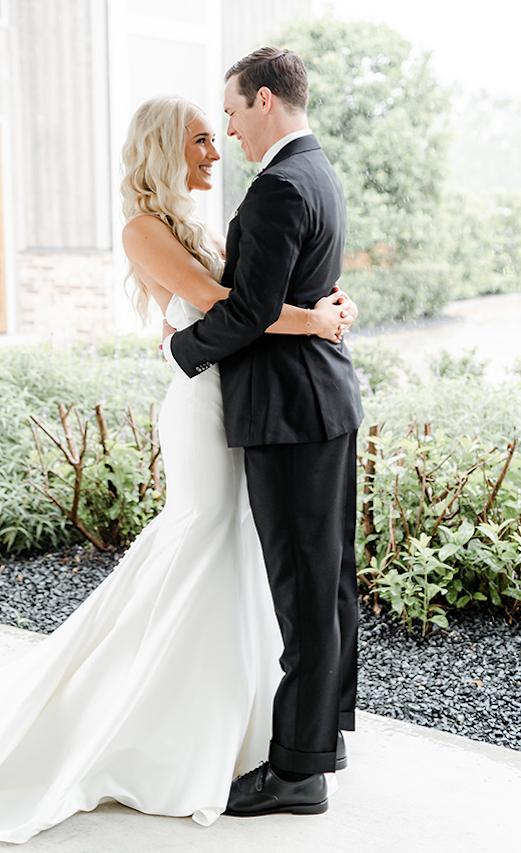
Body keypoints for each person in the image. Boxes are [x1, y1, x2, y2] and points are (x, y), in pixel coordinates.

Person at [0, 94, 356, 853]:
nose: (214, 150)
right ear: (164, 146)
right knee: (200, 541)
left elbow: (256, 293)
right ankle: (140, 716)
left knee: (237, 557)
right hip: (201, 408)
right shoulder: (142, 228)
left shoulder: (189, 220)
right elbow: (232, 305)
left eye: (215, 134)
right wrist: (314, 319)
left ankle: (267, 730)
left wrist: (317, 302)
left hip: (238, 400)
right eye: (199, 139)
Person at [164, 47, 364, 818]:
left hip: (291, 415)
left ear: (269, 100)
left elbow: (247, 311)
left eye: (235, 112)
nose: (231, 128)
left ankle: (297, 773)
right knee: (325, 584)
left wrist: (181, 351)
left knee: (305, 590)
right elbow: (301, 294)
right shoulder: (318, 171)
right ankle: (321, 742)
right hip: (320, 407)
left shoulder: (281, 186)